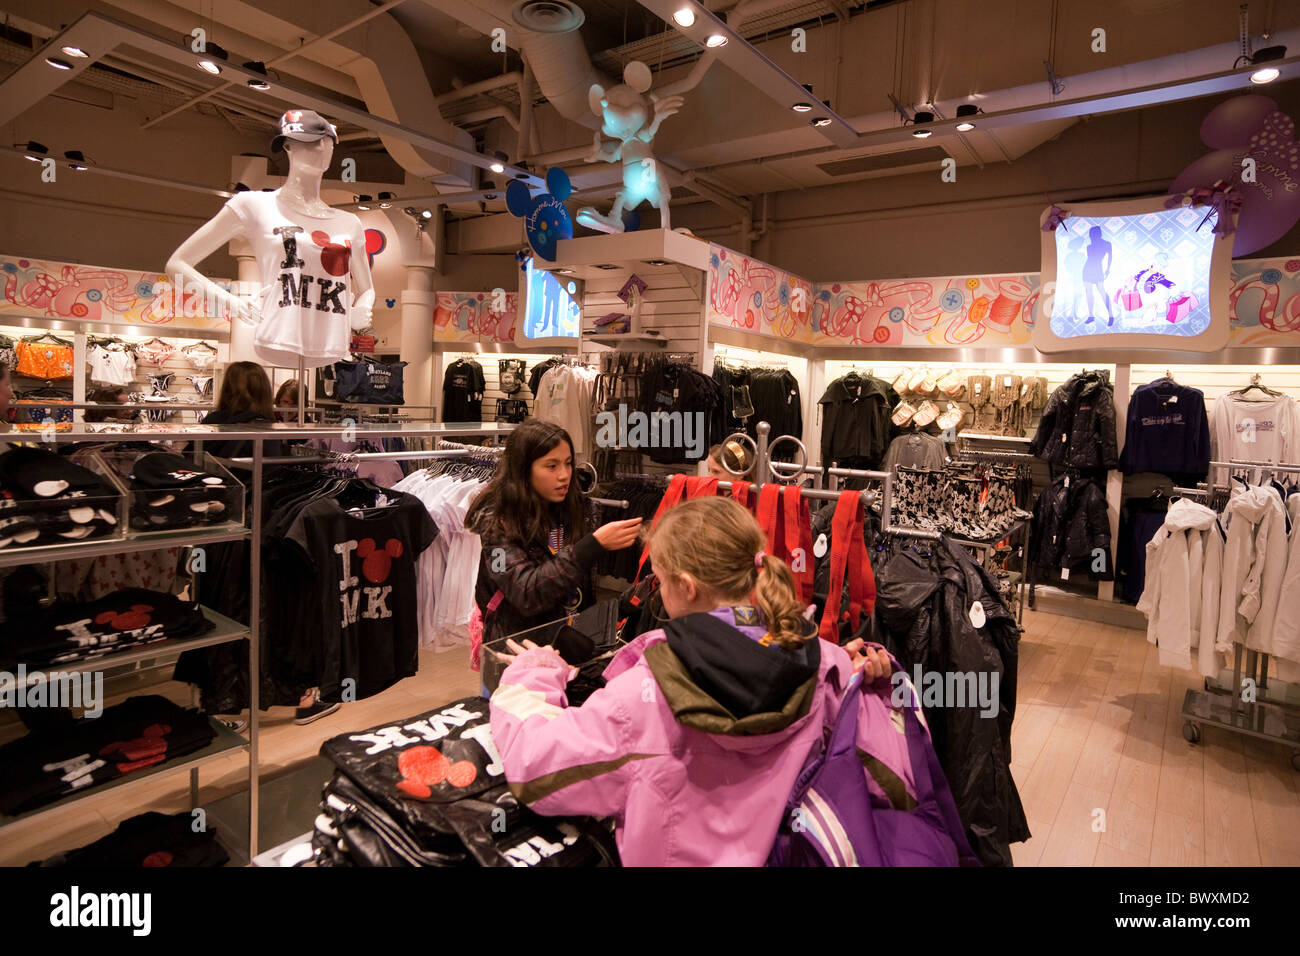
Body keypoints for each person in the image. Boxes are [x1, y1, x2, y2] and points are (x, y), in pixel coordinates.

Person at [488, 495, 893, 866]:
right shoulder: (827, 664)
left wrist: (536, 670)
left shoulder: (645, 697)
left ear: (685, 586)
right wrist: (876, 674)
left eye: (660, 581)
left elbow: (534, 770)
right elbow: (884, 780)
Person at [466, 418, 642, 649]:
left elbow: (579, 586)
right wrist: (591, 547)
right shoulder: (495, 525)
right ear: (523, 469)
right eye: (552, 466)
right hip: (518, 651)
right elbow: (524, 593)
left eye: (568, 463)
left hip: (567, 642)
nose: (564, 474)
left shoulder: (572, 508)